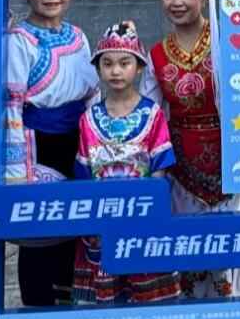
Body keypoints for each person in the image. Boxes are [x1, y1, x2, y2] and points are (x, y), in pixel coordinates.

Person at [1, 0, 102, 307]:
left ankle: (73, 307)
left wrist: (97, 149)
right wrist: (15, 173)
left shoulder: (78, 37)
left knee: (76, 231)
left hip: (77, 143)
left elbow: (92, 95)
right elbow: (11, 106)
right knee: (39, 232)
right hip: (35, 145)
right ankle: (37, 309)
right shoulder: (19, 40)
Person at [71, 20, 182, 303]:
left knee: (149, 302)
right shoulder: (88, 119)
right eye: (107, 64)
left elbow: (159, 172)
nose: (116, 71)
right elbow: (84, 174)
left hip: (143, 223)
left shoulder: (153, 114)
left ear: (140, 67)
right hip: (101, 223)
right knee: (106, 304)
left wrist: (149, 214)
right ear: (98, 69)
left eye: (124, 63)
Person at [148, 0, 235, 299]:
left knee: (228, 254)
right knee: (187, 256)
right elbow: (152, 116)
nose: (176, 2)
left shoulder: (230, 42)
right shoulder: (155, 54)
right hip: (180, 168)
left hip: (230, 161)